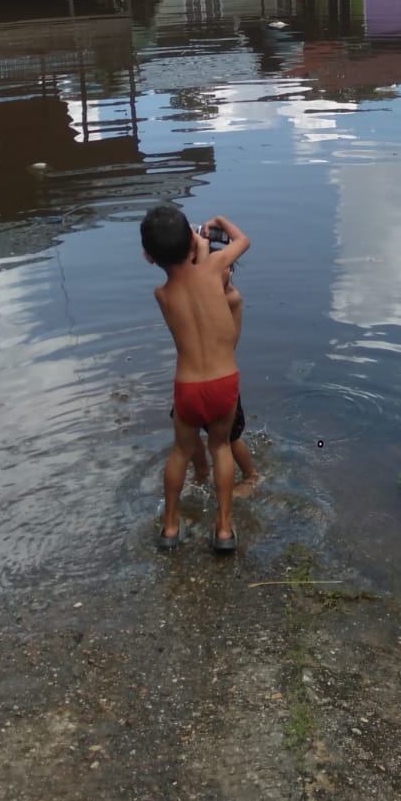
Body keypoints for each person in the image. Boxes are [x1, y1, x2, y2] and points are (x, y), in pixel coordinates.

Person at [140, 203, 250, 553]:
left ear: (148, 257)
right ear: (193, 240)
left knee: (181, 451)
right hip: (223, 383)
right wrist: (217, 224)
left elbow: (183, 282)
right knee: (220, 448)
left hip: (187, 389)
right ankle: (223, 530)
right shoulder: (217, 267)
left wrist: (193, 248)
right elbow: (242, 240)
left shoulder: (161, 295)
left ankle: (170, 527)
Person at [181, 270, 260, 497]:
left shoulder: (231, 299)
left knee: (229, 439)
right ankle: (201, 471)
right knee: (190, 432)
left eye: (218, 269)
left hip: (220, 381)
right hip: (192, 381)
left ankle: (251, 475)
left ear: (230, 272)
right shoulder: (197, 297)